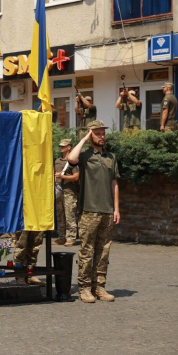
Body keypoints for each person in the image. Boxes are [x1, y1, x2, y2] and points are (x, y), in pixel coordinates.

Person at [68, 120, 121, 303]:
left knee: (104, 251)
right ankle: (84, 288)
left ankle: (99, 287)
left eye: (103, 133)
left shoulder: (111, 157)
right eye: (97, 133)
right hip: (89, 210)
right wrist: (83, 139)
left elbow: (114, 183)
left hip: (107, 210)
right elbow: (71, 159)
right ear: (91, 135)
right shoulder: (84, 156)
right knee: (87, 250)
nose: (102, 136)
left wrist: (116, 209)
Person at [54, 139, 79, 246]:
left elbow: (76, 177)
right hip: (59, 190)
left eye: (63, 146)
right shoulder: (57, 161)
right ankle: (61, 237)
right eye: (60, 146)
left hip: (69, 191)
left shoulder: (72, 161)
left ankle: (71, 238)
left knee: (70, 215)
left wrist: (62, 176)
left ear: (69, 147)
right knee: (60, 215)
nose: (61, 148)